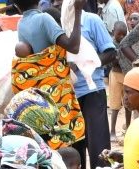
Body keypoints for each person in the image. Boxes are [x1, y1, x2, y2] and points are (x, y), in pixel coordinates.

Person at [10, 0, 84, 151]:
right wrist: (78, 11)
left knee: (48, 136)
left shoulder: (21, 23)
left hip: (39, 94)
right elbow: (74, 46)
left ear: (16, 5)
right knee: (64, 136)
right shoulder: (44, 19)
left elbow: (31, 58)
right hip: (55, 90)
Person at [68, 0, 117, 169]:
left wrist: (86, 64)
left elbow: (110, 53)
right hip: (67, 94)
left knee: (98, 145)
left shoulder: (91, 20)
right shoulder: (58, 24)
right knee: (74, 145)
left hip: (91, 90)